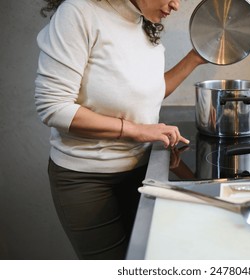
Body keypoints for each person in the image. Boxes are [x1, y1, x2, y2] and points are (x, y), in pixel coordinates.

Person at [35, 0, 206, 259]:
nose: (176, 5)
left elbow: (148, 92)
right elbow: (53, 106)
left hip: (140, 171)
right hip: (86, 179)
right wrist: (136, 130)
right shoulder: (79, 12)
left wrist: (196, 56)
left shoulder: (142, 22)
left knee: (142, 261)